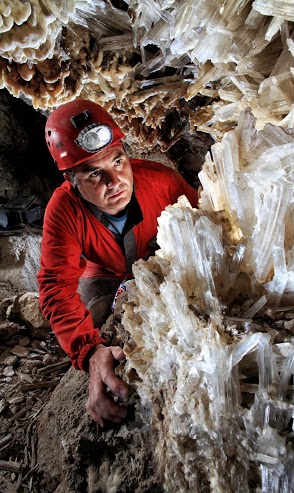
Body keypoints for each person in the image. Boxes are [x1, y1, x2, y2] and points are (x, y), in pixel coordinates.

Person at [37, 99, 198, 427]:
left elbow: (205, 225)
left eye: (118, 161)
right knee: (97, 324)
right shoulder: (64, 209)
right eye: (94, 173)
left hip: (159, 264)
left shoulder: (162, 182)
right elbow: (56, 285)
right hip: (106, 274)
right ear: (72, 180)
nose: (115, 182)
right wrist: (88, 350)